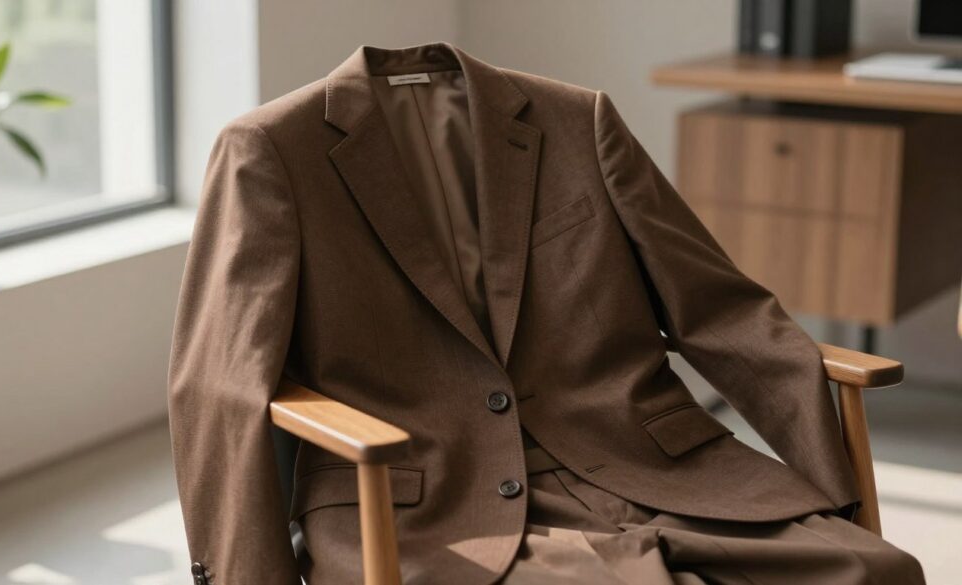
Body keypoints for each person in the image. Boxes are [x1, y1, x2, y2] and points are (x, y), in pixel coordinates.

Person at [168, 42, 924, 584]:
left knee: (876, 569)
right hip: (425, 498)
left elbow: (719, 303)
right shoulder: (268, 148)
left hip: (646, 459)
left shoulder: (577, 119)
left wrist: (836, 496)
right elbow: (218, 382)